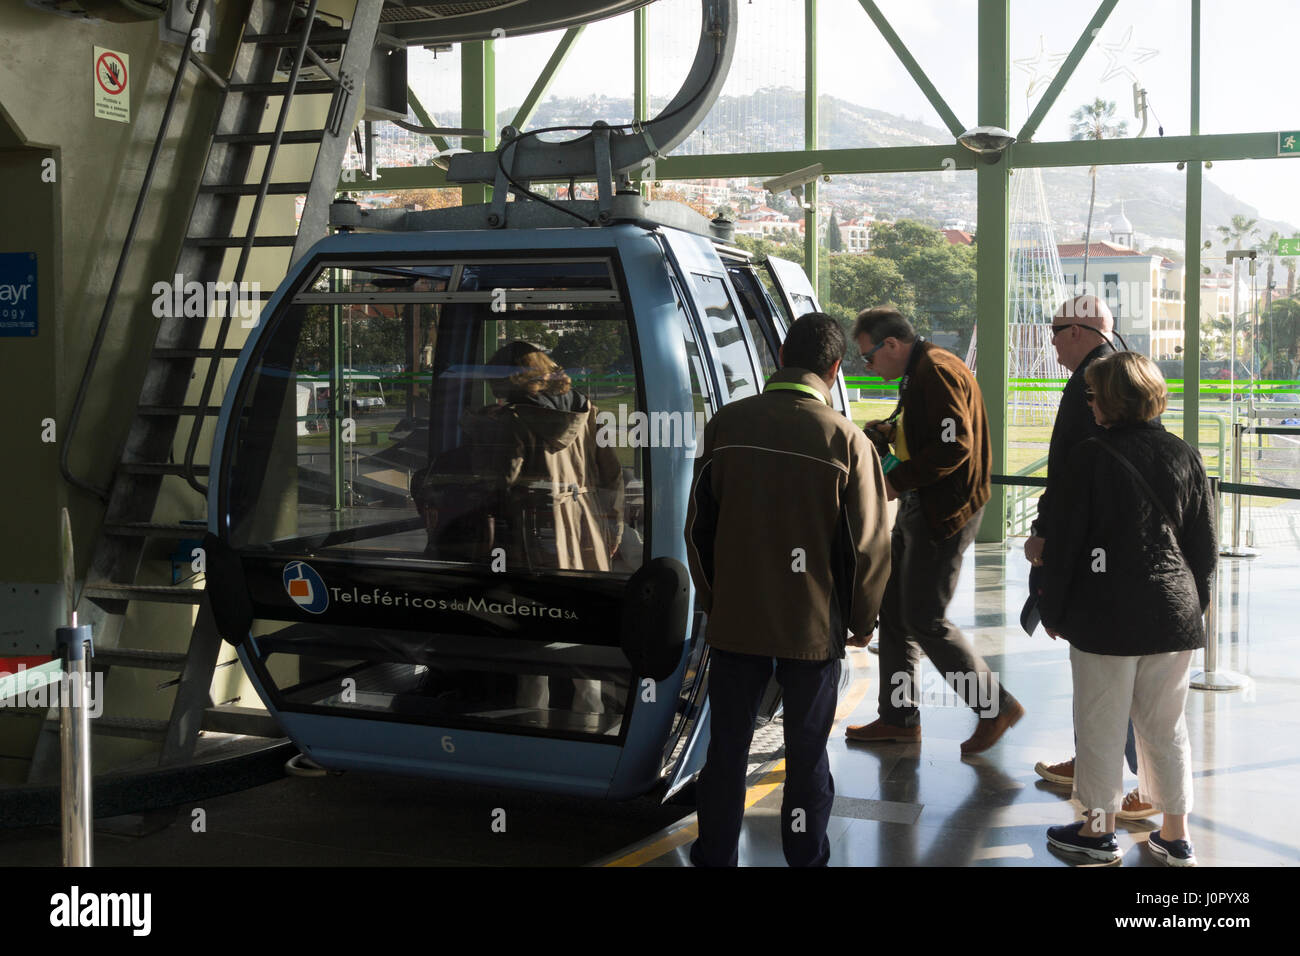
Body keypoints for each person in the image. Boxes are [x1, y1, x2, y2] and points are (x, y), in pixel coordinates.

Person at [684, 313, 891, 867]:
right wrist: (863, 621)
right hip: (812, 627)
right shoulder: (846, 439)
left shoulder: (727, 425)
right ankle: (804, 858)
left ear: (779, 356)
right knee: (805, 754)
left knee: (725, 750)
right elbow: (868, 547)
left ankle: (715, 857)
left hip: (736, 622)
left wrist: (714, 601)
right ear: (835, 366)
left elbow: (698, 529)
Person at [1040, 352, 1217, 866]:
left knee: (1101, 722)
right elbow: (1203, 549)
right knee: (1166, 727)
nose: (1088, 402)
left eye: (1093, 394)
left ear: (1112, 399)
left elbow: (1068, 543)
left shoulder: (1089, 457)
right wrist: (1191, 607)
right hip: (1174, 615)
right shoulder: (1184, 454)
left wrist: (1054, 606)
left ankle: (1097, 832)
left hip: (1106, 615)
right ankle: (1176, 835)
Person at [844, 307, 1025, 754]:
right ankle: (899, 718)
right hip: (923, 506)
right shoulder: (925, 367)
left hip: (942, 511)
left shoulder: (936, 371)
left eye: (868, 357)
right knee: (898, 612)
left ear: (891, 345)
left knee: (925, 618)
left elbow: (953, 443)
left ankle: (994, 707)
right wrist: (892, 429)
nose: (868, 366)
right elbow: (936, 432)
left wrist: (894, 480)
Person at [1025, 297, 1150, 819]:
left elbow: (1074, 474)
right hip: (1124, 556)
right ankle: (1105, 766)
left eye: (1056, 329)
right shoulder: (1116, 369)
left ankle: (1130, 787)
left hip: (1097, 554)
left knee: (1107, 670)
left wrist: (1046, 538)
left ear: (1081, 331)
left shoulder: (1092, 384)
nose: (1050, 338)